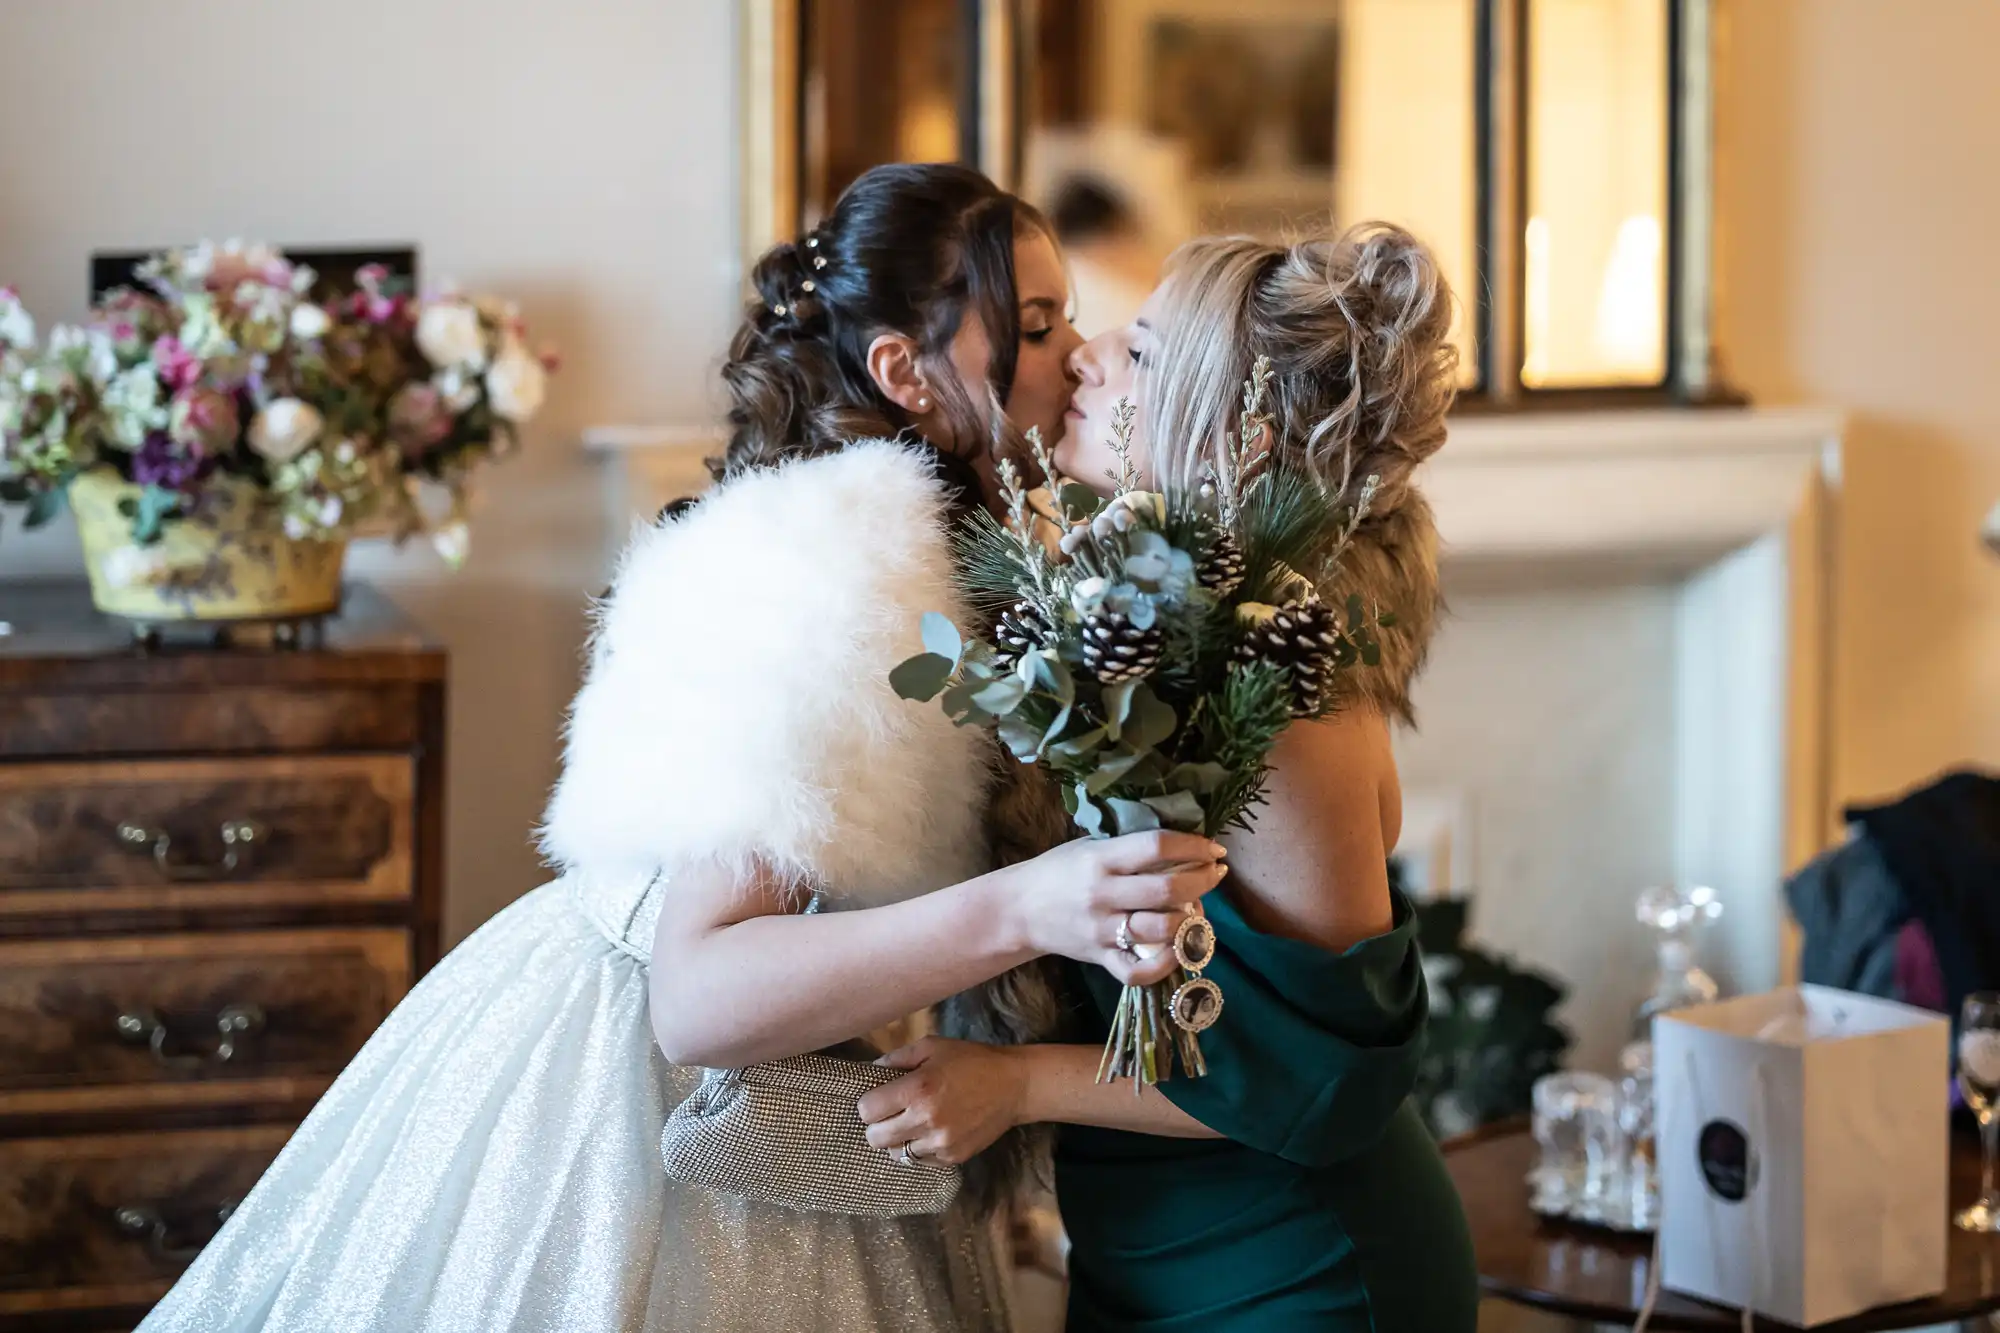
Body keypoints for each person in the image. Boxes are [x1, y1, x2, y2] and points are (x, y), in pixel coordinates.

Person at [135, 163, 1226, 1333]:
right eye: (1040, 325)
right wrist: (1025, 909)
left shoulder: (945, 547)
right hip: (646, 1111)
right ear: (904, 373)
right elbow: (698, 999)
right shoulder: (832, 570)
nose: (1076, 355)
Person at [855, 222, 1481, 1331]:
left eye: (1139, 351)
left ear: (1228, 437)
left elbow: (1324, 1082)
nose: (1087, 356)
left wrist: (1016, 1084)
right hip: (1143, 1238)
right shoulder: (1148, 632)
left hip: (1295, 1267)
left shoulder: (1295, 708)